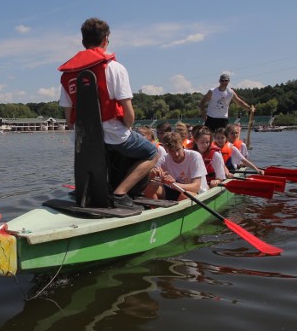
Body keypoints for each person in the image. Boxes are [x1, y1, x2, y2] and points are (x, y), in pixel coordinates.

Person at [59, 18, 158, 208]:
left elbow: (68, 118)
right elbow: (129, 114)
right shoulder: (114, 68)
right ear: (106, 39)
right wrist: (126, 128)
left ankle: (91, 190)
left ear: (83, 42)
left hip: (84, 139)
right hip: (113, 133)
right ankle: (120, 194)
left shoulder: (67, 74)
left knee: (107, 148)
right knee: (152, 153)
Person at [144, 132, 208, 201]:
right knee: (149, 187)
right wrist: (152, 174)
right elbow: (147, 178)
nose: (176, 154)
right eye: (172, 151)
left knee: (183, 196)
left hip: (198, 193)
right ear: (166, 149)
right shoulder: (164, 159)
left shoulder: (195, 156)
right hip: (177, 190)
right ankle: (156, 209)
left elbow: (196, 187)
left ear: (181, 144)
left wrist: (173, 184)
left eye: (178, 149)